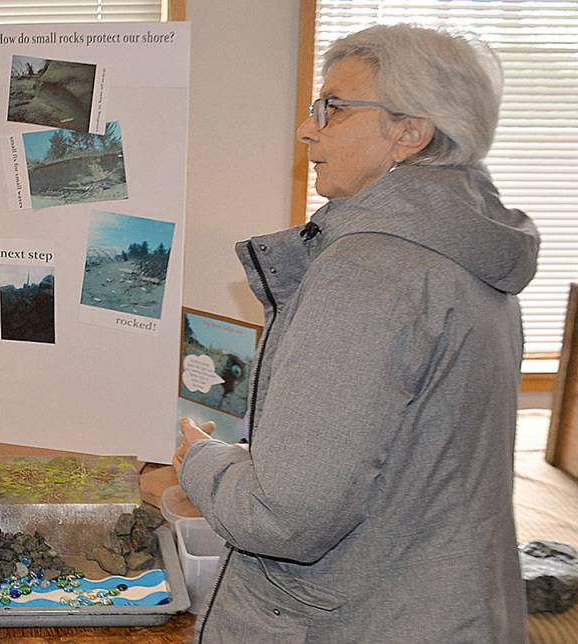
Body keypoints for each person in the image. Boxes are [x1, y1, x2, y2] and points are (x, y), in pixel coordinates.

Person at [173, 24, 538, 642]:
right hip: (455, 603)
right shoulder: (467, 248)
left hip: (365, 616)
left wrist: (200, 462)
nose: (307, 128)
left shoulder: (372, 271)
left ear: (410, 131)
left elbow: (284, 519)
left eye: (334, 109)